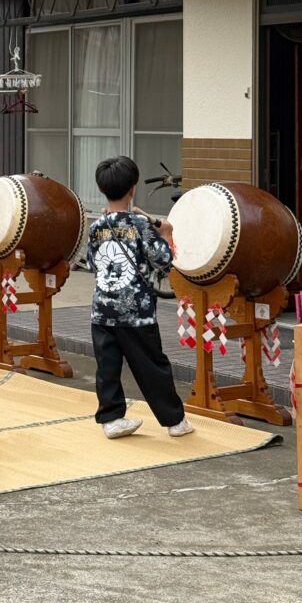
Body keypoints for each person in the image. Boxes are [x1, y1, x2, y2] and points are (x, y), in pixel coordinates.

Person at [89, 155, 193, 440]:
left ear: (102, 189)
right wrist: (167, 234)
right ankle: (175, 421)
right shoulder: (140, 225)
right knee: (151, 365)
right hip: (136, 311)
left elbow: (93, 263)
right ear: (133, 189)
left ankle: (111, 419)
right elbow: (163, 260)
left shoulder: (97, 226)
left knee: (107, 366)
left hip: (102, 309)